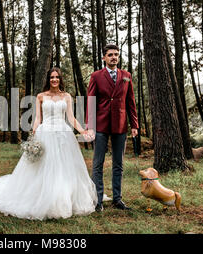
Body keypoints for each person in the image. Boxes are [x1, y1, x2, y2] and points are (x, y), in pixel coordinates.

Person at [0, 67, 97, 220]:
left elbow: (71, 118)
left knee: (64, 168)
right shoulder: (41, 96)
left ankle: (63, 198)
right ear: (48, 80)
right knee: (43, 167)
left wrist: (82, 131)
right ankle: (41, 197)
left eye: (56, 77)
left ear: (60, 79)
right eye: (51, 77)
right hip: (45, 133)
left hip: (63, 134)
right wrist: (33, 136)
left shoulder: (66, 96)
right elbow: (37, 119)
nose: (54, 80)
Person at [85, 44, 139, 212]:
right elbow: (91, 102)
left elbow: (130, 102)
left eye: (116, 54)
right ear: (104, 58)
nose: (114, 57)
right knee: (98, 163)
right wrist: (89, 126)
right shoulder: (96, 76)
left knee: (118, 164)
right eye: (110, 55)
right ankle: (98, 200)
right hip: (100, 126)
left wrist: (134, 125)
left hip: (120, 125)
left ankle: (117, 199)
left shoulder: (126, 76)